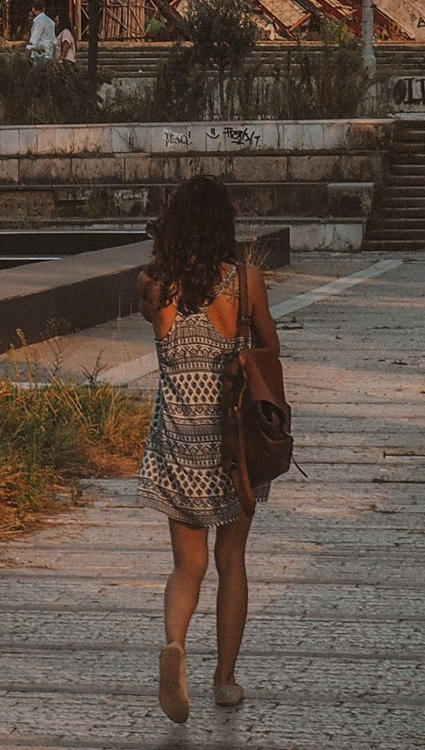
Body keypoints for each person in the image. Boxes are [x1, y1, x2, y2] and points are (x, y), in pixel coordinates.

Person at [137, 174, 279, 722]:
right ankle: (224, 681)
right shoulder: (246, 282)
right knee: (231, 560)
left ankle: (175, 644)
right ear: (225, 225)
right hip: (233, 439)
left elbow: (159, 321)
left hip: (177, 439)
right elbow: (269, 347)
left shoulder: (154, 285)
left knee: (187, 565)